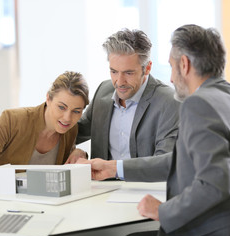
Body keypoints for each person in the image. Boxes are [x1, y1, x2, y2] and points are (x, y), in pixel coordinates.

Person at [78, 25, 230, 236]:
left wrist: (162, 211)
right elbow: (181, 161)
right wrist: (113, 167)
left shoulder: (199, 104)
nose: (172, 79)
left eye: (172, 67)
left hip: (228, 232)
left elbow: (214, 184)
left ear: (184, 64)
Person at [0, 71, 89, 192]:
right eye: (61, 107)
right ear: (48, 99)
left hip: (41, 202)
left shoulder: (70, 130)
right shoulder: (12, 120)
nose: (67, 118)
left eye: (76, 111)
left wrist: (79, 152)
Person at [66, 29, 180, 164]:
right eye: (114, 71)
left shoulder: (169, 102)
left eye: (129, 73)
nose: (119, 82)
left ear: (147, 68)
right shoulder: (103, 91)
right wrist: (77, 151)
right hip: (101, 185)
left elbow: (164, 162)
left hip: (145, 185)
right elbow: (73, 133)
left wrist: (113, 169)